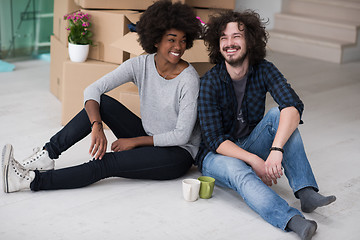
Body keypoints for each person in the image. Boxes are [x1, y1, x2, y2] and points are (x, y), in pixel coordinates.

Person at [2, 0, 202, 193]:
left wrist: (134, 141)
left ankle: (29, 181)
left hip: (176, 154)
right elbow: (93, 89)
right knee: (102, 103)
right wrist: (96, 125)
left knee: (105, 163)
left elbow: (181, 135)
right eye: (172, 39)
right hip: (148, 136)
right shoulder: (140, 65)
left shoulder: (189, 79)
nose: (179, 47)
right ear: (156, 40)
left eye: (183, 41)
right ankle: (47, 155)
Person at [196, 10, 336, 240]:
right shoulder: (210, 81)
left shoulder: (264, 69)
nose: (229, 43)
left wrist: (276, 149)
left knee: (277, 114)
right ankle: (292, 220)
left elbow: (293, 105)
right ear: (217, 44)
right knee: (237, 169)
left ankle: (306, 191)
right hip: (216, 155)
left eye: (236, 36)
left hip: (250, 141)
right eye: (223, 38)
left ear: (250, 40)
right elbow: (214, 140)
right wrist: (255, 161)